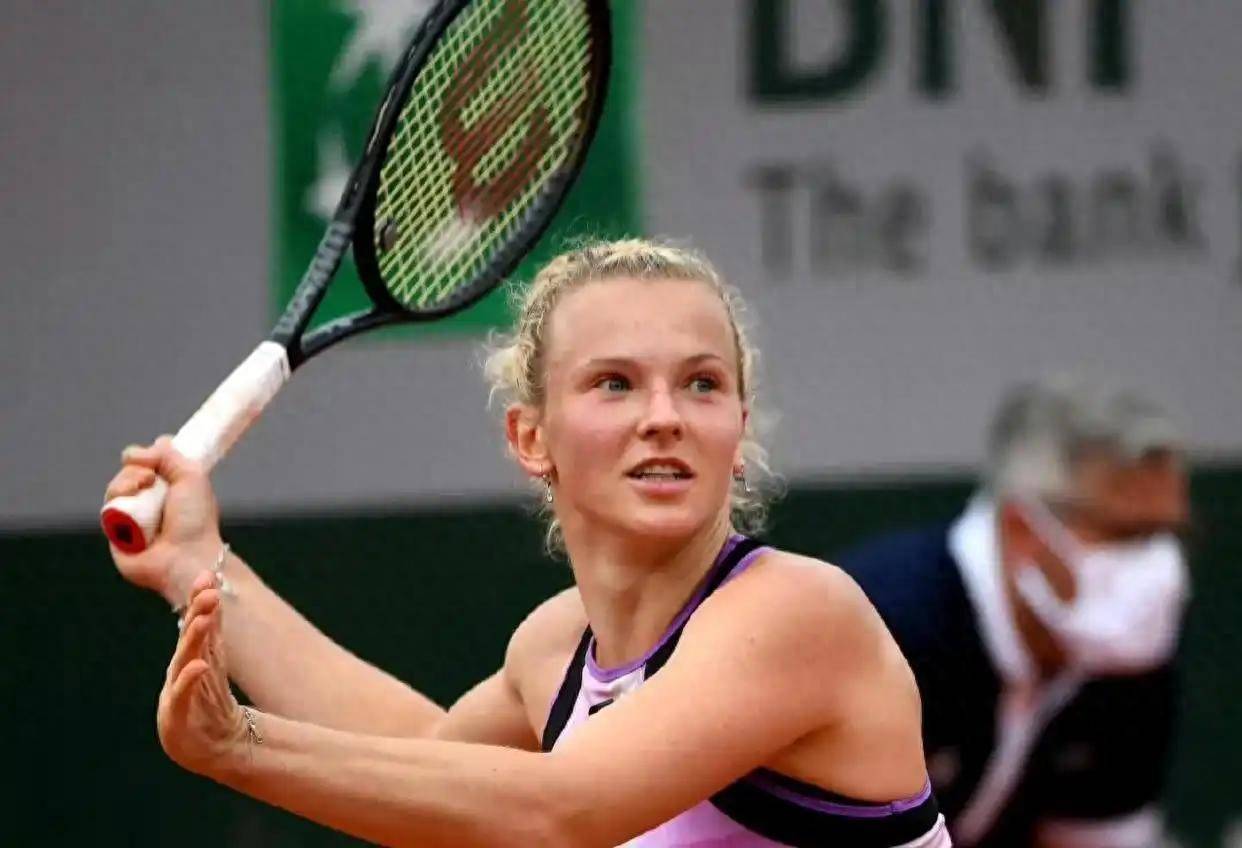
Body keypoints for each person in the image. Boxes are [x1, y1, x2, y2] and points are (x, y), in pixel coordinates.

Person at [105, 239, 951, 847]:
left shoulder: (798, 613)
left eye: (702, 383)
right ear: (531, 437)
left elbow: (563, 810)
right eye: (615, 383)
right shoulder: (554, 648)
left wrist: (240, 746)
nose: (664, 416)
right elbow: (424, 765)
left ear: (737, 424)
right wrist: (196, 561)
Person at [834, 376, 1190, 848]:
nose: (1157, 567)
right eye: (1125, 535)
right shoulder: (879, 631)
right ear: (1024, 531)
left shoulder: (1128, 662)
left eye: (1166, 534)